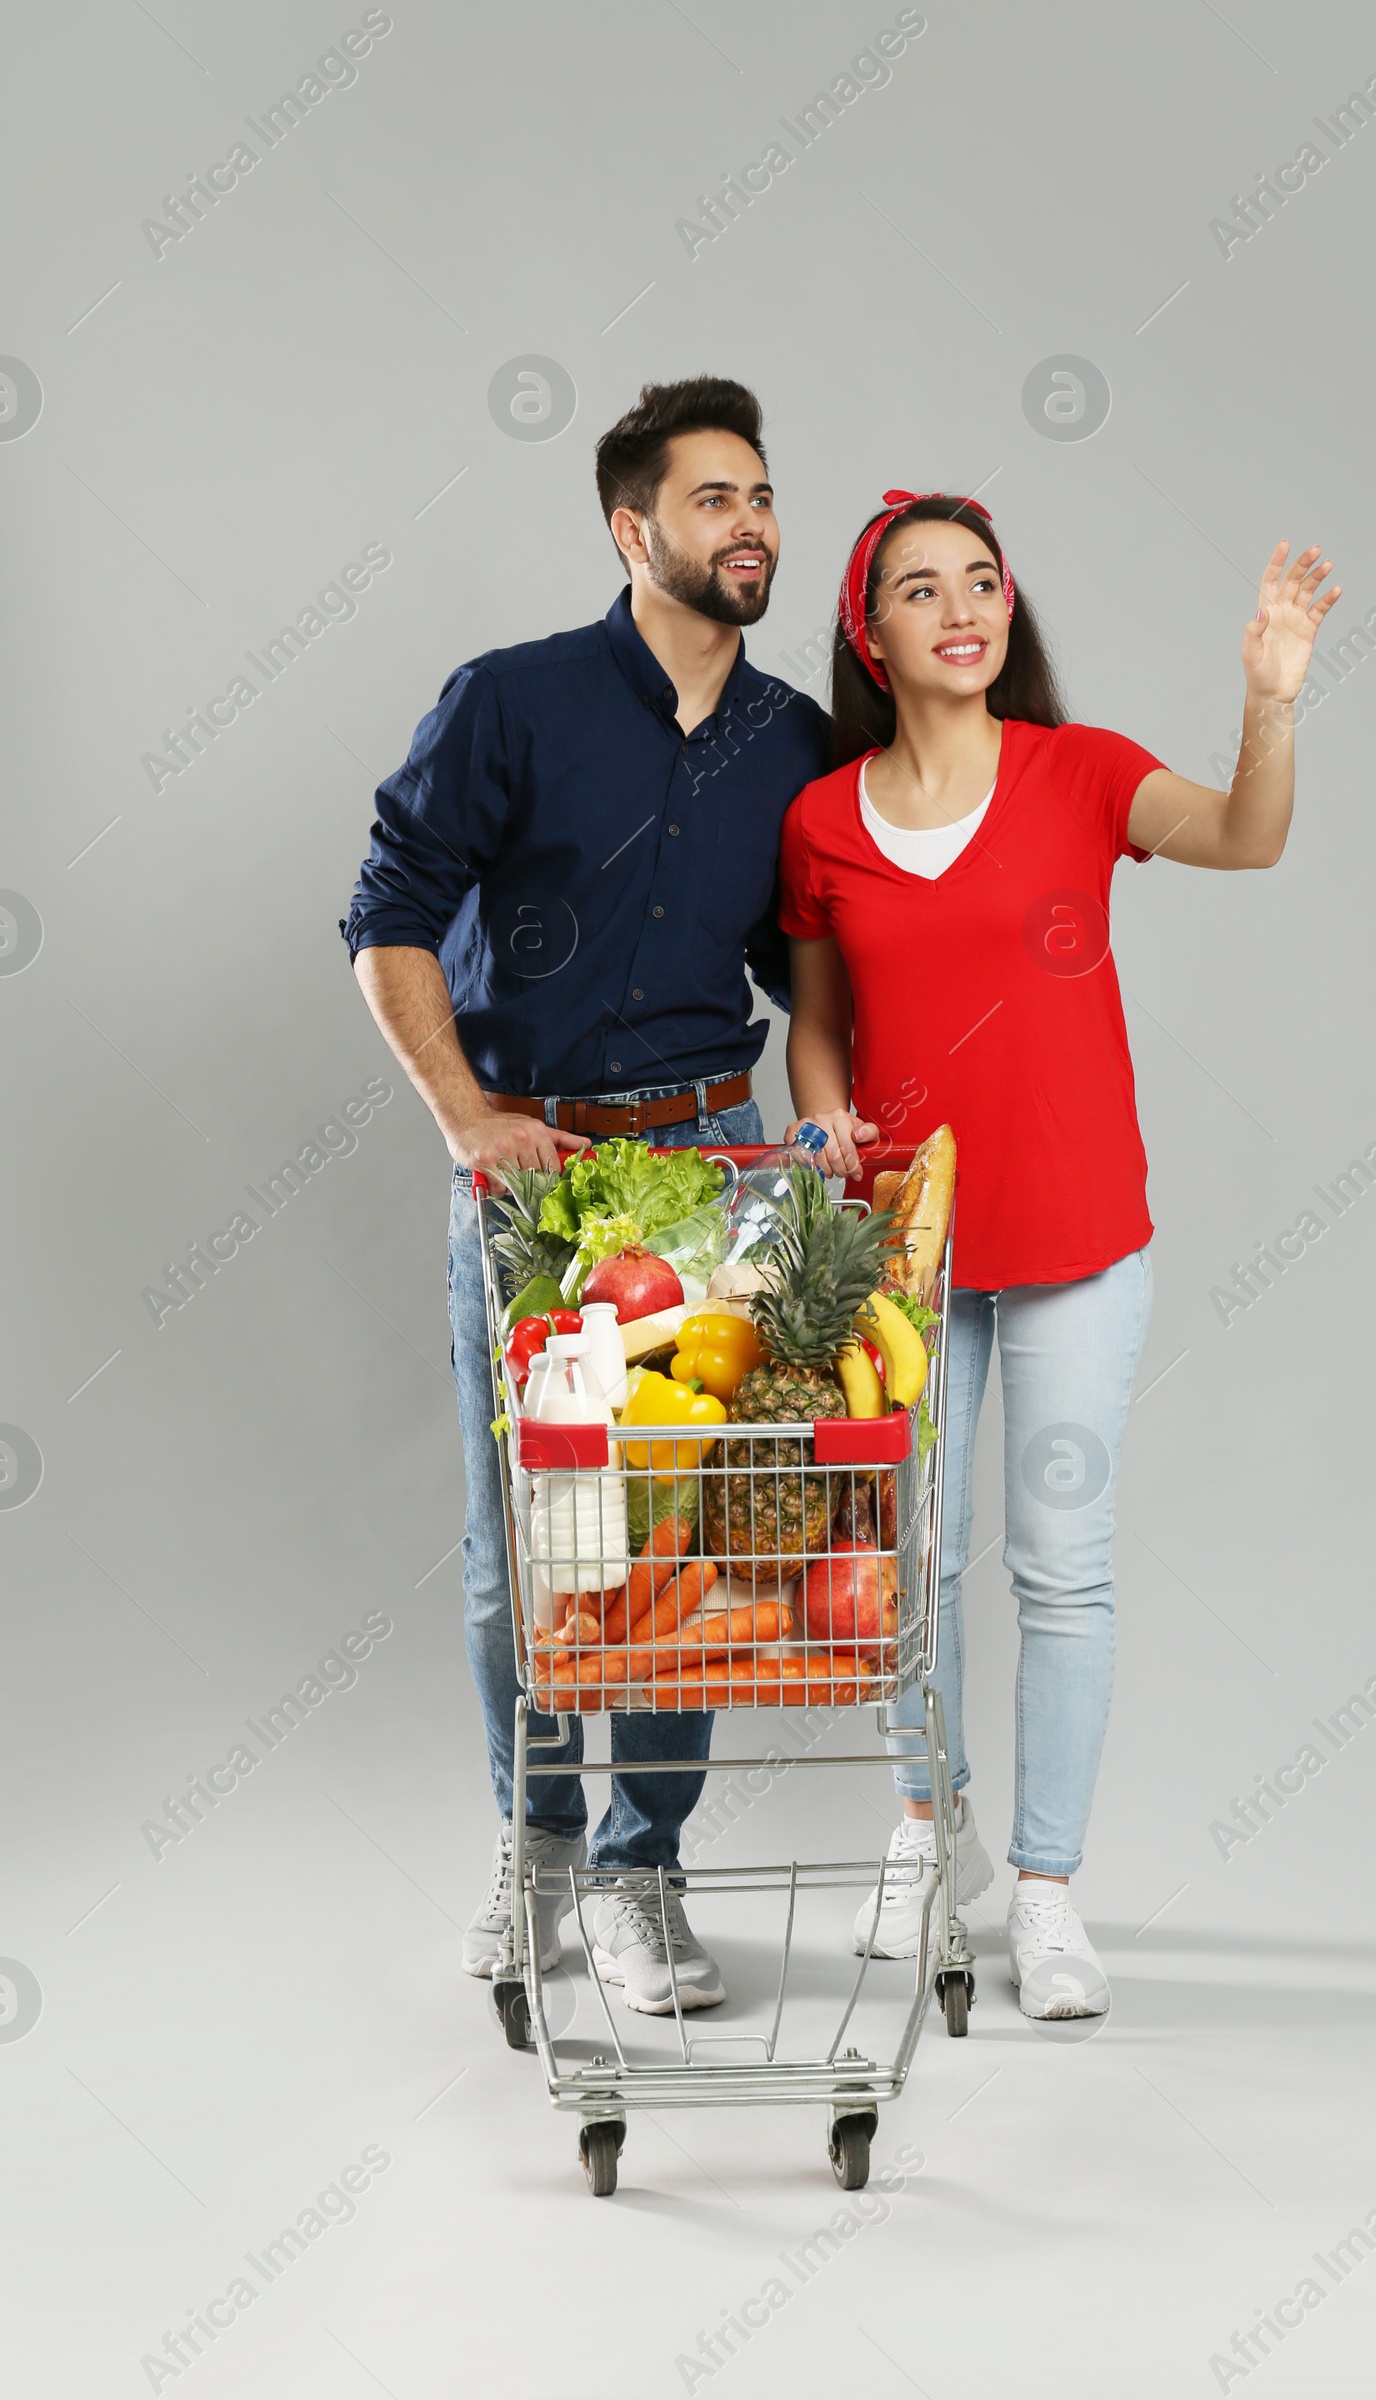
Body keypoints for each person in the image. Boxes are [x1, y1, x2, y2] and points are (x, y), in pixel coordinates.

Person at [779, 490, 1340, 2017]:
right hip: (912, 1256)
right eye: (921, 589)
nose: (962, 607)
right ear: (870, 636)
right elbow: (817, 1029)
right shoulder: (822, 820)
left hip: (1081, 1244)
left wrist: (1267, 704)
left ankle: (1044, 1892)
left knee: (1061, 1574)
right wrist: (824, 1126)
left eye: (982, 581)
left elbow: (1247, 836)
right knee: (908, 1566)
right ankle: (925, 1827)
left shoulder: (1081, 777)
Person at [342, 378, 829, 2013]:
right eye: (714, 499)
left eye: (760, 494)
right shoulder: (515, 701)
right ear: (634, 530)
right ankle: (536, 1838)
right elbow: (389, 914)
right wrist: (465, 1114)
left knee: (677, 1540)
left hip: (710, 1164)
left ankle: (643, 1870)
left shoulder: (795, 743)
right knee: (529, 1548)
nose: (750, 521)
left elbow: (807, 961)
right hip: (538, 1179)